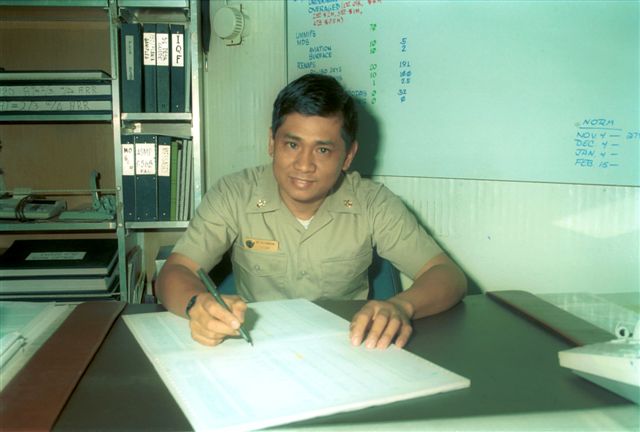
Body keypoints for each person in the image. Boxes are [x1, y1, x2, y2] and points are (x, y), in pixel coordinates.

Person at [156, 73, 467, 350]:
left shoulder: (373, 202)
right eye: (292, 145)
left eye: (323, 150)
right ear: (271, 142)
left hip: (346, 347)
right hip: (257, 348)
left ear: (348, 156)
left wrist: (402, 306)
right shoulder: (234, 194)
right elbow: (175, 270)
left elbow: (447, 275)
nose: (304, 165)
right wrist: (196, 304)